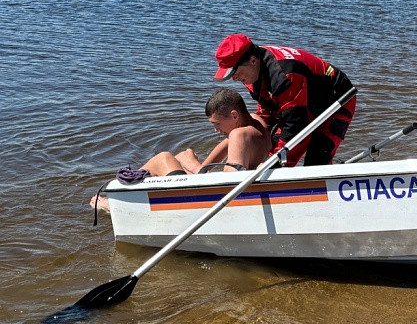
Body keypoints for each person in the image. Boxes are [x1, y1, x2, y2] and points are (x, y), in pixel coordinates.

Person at [90, 87, 273, 212]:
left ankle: (119, 204)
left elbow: (229, 184)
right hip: (240, 191)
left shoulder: (237, 135)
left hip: (216, 203)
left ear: (234, 115)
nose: (215, 130)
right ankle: (138, 196)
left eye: (217, 124)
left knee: (164, 158)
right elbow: (227, 146)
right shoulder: (257, 124)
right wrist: (203, 168)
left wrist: (193, 166)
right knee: (181, 157)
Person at [214, 34, 355, 167]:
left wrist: (275, 162)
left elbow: (296, 126)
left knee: (314, 162)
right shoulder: (252, 70)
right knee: (268, 149)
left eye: (235, 73)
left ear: (253, 60)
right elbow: (267, 113)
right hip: (297, 102)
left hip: (335, 101)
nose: (234, 79)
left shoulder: (284, 77)